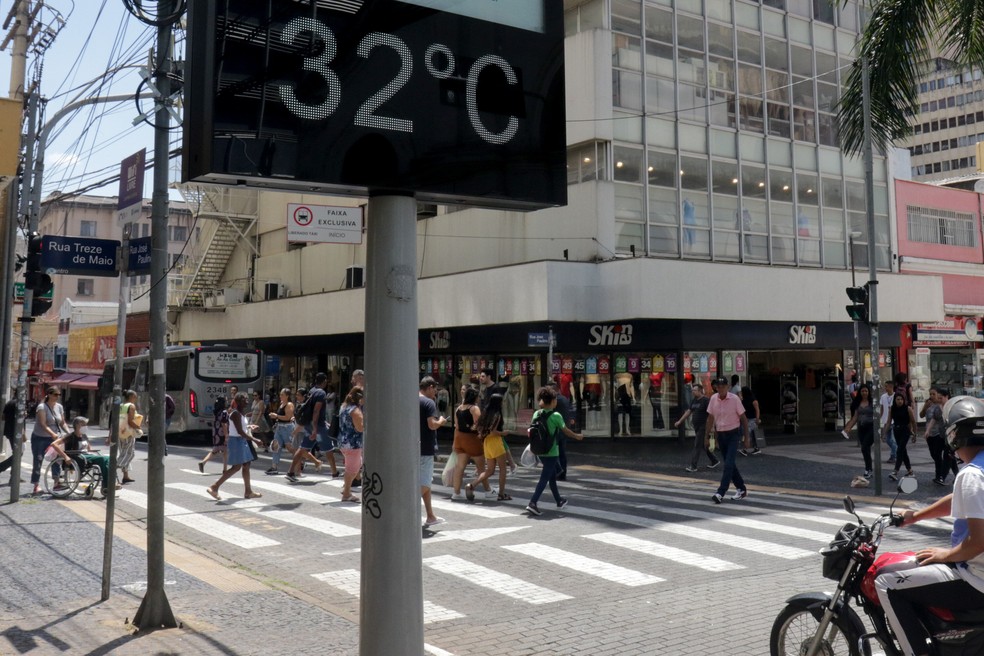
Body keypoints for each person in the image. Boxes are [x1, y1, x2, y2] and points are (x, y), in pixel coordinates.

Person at [875, 395, 984, 656]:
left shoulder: (971, 475)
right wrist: (915, 516)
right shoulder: (977, 470)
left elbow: (978, 542)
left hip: (976, 578)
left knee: (886, 582)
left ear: (953, 434)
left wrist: (945, 554)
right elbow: (960, 499)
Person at [525, 386, 583, 516]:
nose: (556, 401)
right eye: (555, 399)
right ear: (551, 401)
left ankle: (559, 501)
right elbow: (566, 431)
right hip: (551, 451)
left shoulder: (536, 413)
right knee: (544, 478)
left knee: (551, 478)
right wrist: (577, 436)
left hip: (540, 451)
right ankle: (533, 502)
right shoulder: (556, 415)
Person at [206, 392, 264, 500]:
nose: (247, 401)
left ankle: (248, 491)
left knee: (246, 465)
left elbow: (242, 428)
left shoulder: (241, 414)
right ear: (238, 402)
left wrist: (250, 427)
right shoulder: (236, 414)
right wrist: (255, 439)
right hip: (237, 441)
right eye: (244, 399)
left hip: (241, 441)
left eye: (247, 399)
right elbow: (240, 431)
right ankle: (214, 487)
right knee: (236, 467)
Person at [706, 377, 751, 504]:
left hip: (733, 434)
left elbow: (744, 419)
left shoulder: (734, 399)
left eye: (723, 386)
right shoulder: (713, 399)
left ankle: (721, 492)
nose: (721, 389)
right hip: (721, 434)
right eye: (718, 386)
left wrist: (746, 438)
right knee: (729, 464)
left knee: (728, 463)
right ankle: (741, 489)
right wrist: (707, 436)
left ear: (728, 387)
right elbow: (710, 418)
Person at [48, 416, 117, 495]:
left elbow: (88, 449)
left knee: (108, 459)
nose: (85, 427)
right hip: (77, 458)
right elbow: (54, 444)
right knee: (102, 459)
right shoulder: (70, 436)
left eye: (85, 425)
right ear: (77, 426)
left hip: (85, 456)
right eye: (83, 425)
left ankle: (108, 484)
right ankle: (107, 485)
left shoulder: (84, 436)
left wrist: (92, 451)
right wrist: (65, 457)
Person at [466, 393, 515, 502]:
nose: (502, 403)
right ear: (498, 403)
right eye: (501, 401)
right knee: (503, 469)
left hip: (487, 443)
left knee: (490, 470)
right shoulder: (497, 414)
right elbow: (493, 432)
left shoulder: (485, 413)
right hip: (495, 443)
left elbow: (478, 428)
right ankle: (501, 494)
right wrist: (503, 433)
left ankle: (472, 485)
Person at [450, 386, 490, 500]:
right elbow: (478, 425)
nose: (478, 398)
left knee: (459, 467)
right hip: (472, 440)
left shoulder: (458, 409)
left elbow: (456, 426)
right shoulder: (474, 408)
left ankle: (456, 492)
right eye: (478, 396)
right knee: (481, 467)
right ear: (474, 397)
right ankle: (488, 491)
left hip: (460, 439)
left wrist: (454, 443)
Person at [420, 376, 448, 527]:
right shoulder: (428, 402)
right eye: (435, 389)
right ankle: (404, 509)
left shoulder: (411, 399)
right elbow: (432, 425)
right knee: (424, 482)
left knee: (425, 483)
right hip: (425, 447)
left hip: (413, 446)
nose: (436, 393)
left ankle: (430, 515)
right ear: (429, 387)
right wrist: (441, 422)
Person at [31, 387, 70, 495]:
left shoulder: (59, 407)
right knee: (38, 460)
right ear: (49, 394)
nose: (57, 397)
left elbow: (62, 422)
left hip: (54, 438)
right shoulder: (42, 407)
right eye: (55, 395)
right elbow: (43, 424)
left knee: (57, 459)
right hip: (40, 437)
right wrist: (52, 434)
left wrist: (68, 432)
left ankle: (56, 483)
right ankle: (36, 484)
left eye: (59, 395)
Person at [677, 383, 720, 472]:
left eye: (694, 390)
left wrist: (712, 427)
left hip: (703, 426)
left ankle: (693, 466)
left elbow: (712, 414)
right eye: (692, 390)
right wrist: (680, 421)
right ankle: (714, 460)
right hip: (697, 427)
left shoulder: (706, 401)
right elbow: (689, 411)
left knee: (697, 445)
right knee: (704, 445)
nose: (692, 392)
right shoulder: (694, 400)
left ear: (700, 391)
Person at [304, 372, 340, 477]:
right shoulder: (321, 393)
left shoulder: (311, 391)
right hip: (318, 426)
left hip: (310, 424)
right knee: (329, 449)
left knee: (303, 448)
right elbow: (316, 411)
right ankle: (334, 472)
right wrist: (316, 427)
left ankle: (293, 470)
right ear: (324, 381)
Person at [924, 387, 959, 486]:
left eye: (940, 398)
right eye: (938, 398)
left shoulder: (952, 407)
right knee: (938, 454)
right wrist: (927, 430)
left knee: (947, 456)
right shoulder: (937, 408)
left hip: (951, 437)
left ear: (946, 397)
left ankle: (942, 477)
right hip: (942, 436)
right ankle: (956, 475)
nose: (939, 400)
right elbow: (934, 419)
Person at [337, 386, 365, 503]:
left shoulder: (344, 407)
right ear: (360, 399)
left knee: (354, 465)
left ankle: (346, 489)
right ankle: (347, 492)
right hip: (353, 443)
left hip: (343, 441)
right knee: (352, 469)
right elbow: (360, 428)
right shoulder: (355, 411)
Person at [843, 383, 876, 478]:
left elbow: (879, 412)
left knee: (865, 447)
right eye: (862, 391)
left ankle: (868, 469)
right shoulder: (858, 403)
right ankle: (868, 469)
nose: (864, 393)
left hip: (871, 427)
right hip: (861, 428)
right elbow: (855, 417)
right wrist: (848, 428)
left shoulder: (872, 402)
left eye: (866, 391)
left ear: (869, 392)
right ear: (860, 392)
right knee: (865, 449)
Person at [883, 391, 917, 481]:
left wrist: (915, 434)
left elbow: (913, 422)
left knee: (900, 450)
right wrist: (884, 433)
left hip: (905, 430)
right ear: (895, 400)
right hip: (896, 430)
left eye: (901, 399)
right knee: (903, 451)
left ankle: (895, 471)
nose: (900, 401)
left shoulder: (908, 409)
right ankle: (910, 471)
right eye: (898, 399)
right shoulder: (892, 409)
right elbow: (889, 422)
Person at [265, 388, 296, 475]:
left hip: (287, 428)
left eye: (282, 395)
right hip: (279, 427)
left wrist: (276, 416)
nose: (280, 396)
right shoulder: (282, 404)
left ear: (287, 396)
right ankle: (274, 467)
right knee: (276, 446)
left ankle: (300, 460)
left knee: (290, 447)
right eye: (280, 394)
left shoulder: (289, 405)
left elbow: (288, 417)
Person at [549, 380, 575, 480]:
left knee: (554, 452)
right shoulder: (564, 398)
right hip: (564, 429)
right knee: (562, 453)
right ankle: (562, 473)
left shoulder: (555, 401)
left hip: (556, 430)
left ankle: (558, 472)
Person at [115, 390, 141, 485]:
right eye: (135, 396)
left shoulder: (121, 405)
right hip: (128, 432)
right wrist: (138, 427)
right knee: (130, 454)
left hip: (120, 432)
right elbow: (130, 421)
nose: (136, 398)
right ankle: (113, 468)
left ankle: (125, 476)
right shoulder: (131, 406)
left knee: (123, 452)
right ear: (131, 396)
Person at [199, 395, 229, 474]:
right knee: (225, 451)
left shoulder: (217, 411)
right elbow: (224, 424)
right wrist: (226, 436)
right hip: (222, 433)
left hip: (216, 432)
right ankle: (225, 469)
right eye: (226, 401)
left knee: (215, 450)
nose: (227, 402)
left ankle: (203, 462)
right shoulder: (224, 412)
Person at [0, 399, 23, 484]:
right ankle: (2, 468)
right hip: (16, 433)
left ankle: (14, 476)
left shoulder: (9, 403)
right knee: (18, 453)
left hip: (9, 431)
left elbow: (3, 417)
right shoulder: (20, 403)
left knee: (17, 453)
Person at [879, 379, 899, 464]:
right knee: (886, 439)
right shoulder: (883, 397)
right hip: (885, 421)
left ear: (891, 387)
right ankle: (897, 451)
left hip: (894, 421)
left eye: (886, 386)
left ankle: (893, 455)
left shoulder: (896, 396)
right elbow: (882, 408)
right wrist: (879, 417)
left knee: (893, 439)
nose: (885, 388)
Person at [738, 385, 762, 456]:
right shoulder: (744, 400)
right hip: (746, 419)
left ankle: (745, 449)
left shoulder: (753, 400)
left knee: (747, 433)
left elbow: (757, 410)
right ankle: (756, 448)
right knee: (752, 434)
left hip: (753, 419)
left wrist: (757, 419)